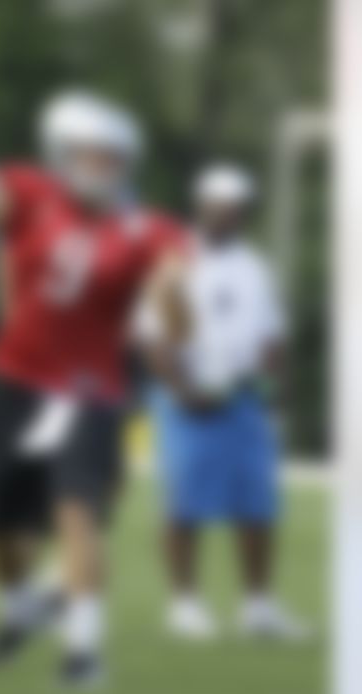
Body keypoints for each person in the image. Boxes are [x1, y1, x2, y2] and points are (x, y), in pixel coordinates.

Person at [0, 51, 184, 686]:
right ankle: (21, 606)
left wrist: (172, 297)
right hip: (19, 382)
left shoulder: (147, 228)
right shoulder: (31, 196)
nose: (106, 167)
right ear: (62, 152)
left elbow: (176, 291)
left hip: (88, 390)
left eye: (115, 158)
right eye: (95, 154)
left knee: (76, 511)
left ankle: (83, 654)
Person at [137, 163, 309, 642]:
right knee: (183, 504)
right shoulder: (174, 262)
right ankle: (184, 605)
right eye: (216, 204)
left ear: (244, 212)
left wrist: (273, 399)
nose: (225, 213)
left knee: (258, 506)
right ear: (199, 205)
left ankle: (259, 607)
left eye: (234, 206)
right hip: (186, 398)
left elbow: (272, 341)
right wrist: (181, 391)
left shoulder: (255, 267)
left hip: (243, 398)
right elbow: (151, 338)